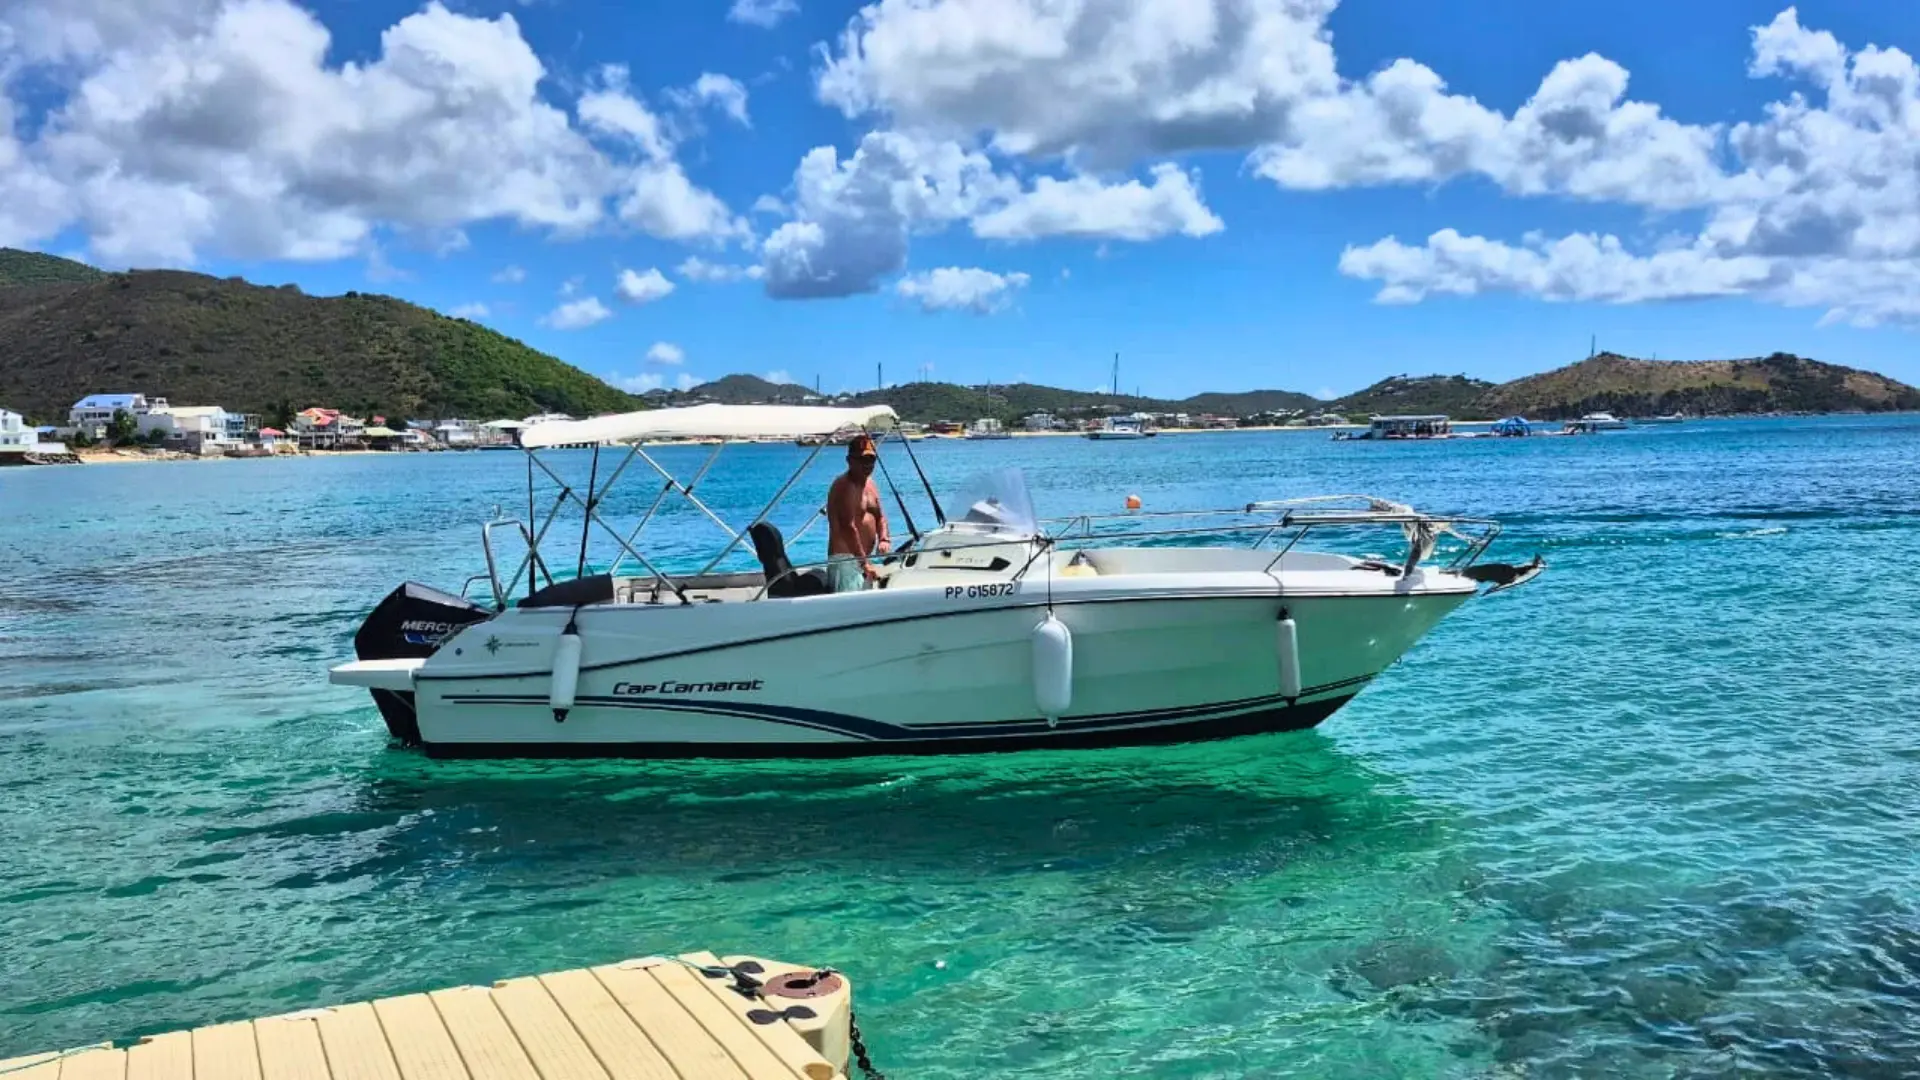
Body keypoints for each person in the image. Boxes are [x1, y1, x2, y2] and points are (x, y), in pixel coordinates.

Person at [825, 433, 891, 592]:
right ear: (849, 460)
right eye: (862, 459)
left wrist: (884, 539)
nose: (867, 464)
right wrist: (864, 564)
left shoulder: (871, 485)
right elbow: (847, 527)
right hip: (847, 562)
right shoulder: (843, 486)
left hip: (864, 561)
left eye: (871, 459)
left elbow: (880, 516)